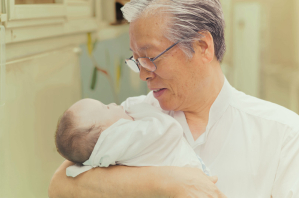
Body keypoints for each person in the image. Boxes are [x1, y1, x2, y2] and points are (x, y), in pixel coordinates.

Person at [49, 0, 299, 197]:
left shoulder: (282, 135)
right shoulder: (131, 117)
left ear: (202, 46)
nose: (143, 75)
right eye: (136, 61)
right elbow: (60, 184)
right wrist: (167, 183)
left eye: (150, 58)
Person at [55, 98, 207, 178]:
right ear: (108, 134)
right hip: (188, 171)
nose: (114, 104)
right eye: (106, 107)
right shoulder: (124, 138)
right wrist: (139, 111)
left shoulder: (100, 158)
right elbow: (169, 130)